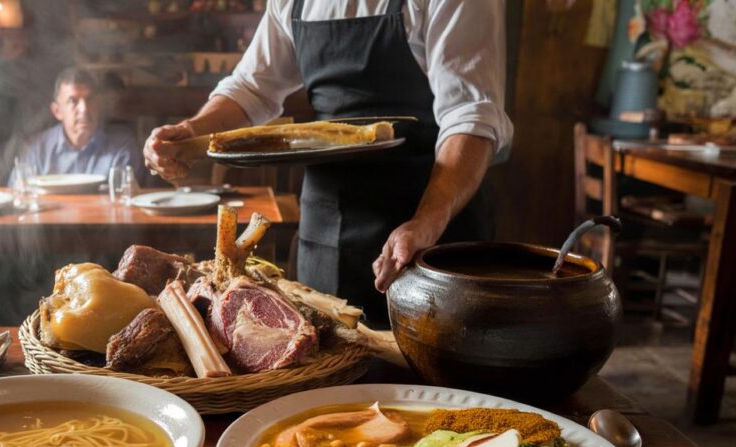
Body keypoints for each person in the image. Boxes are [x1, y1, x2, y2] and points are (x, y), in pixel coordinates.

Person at [144, 1, 513, 325]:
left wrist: (427, 222)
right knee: (326, 379)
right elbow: (251, 88)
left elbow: (470, 114)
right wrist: (191, 132)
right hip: (325, 233)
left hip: (430, 229)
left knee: (433, 388)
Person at [9, 67, 142, 186]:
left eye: (90, 99)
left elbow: (124, 199)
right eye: (73, 101)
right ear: (57, 111)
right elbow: (19, 194)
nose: (84, 109)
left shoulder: (122, 147)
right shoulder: (36, 149)